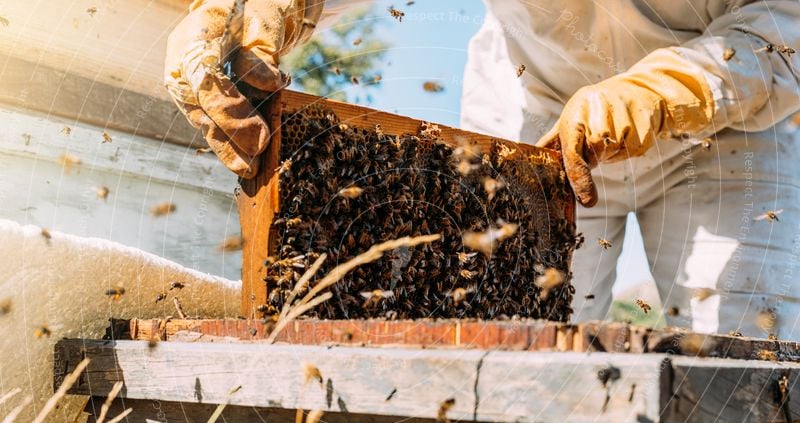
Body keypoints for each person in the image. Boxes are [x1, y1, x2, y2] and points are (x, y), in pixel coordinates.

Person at [165, 0, 800, 338]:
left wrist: (664, 91)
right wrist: (258, 6)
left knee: (749, 350)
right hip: (537, 105)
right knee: (511, 337)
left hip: (727, 125)